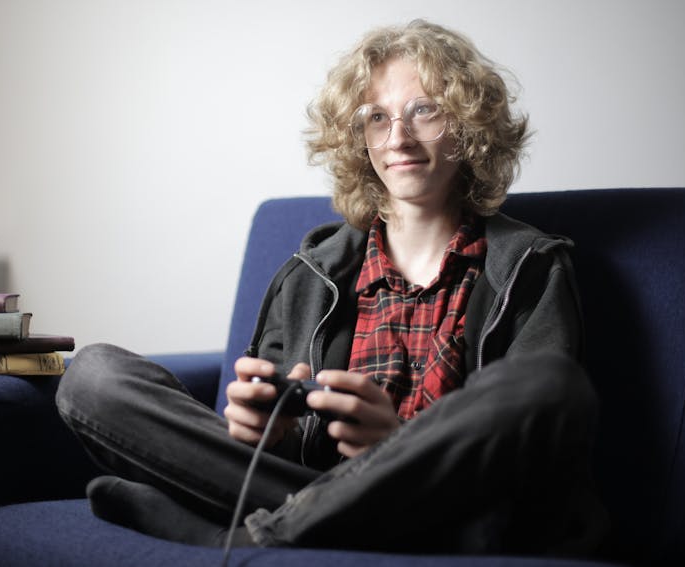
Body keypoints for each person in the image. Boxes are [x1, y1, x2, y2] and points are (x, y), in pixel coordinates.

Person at [56, 19, 607, 557]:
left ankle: (245, 533)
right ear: (357, 137)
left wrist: (399, 441)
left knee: (551, 382)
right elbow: (278, 441)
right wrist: (263, 431)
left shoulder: (530, 264)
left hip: (457, 502)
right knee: (93, 377)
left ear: (468, 124)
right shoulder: (311, 271)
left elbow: (534, 448)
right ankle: (317, 522)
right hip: (313, 484)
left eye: (424, 110)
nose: (398, 137)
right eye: (376, 117)